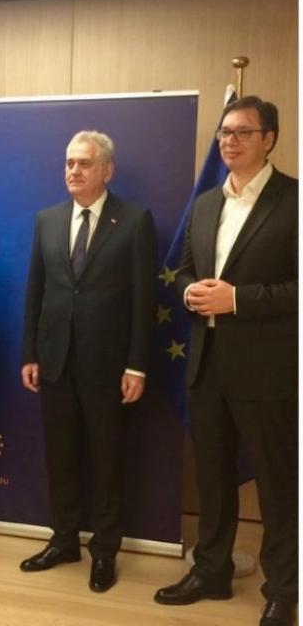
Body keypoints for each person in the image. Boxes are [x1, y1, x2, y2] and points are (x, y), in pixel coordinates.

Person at [155, 97, 297, 626]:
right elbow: (184, 271)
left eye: (241, 132)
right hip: (206, 365)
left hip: (268, 372)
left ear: (269, 139)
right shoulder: (206, 203)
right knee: (213, 479)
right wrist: (191, 291)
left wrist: (237, 299)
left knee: (278, 485)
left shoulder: (294, 201)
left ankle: (283, 589)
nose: (229, 142)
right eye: (224, 133)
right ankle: (210, 571)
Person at [20, 131, 157, 592]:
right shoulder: (48, 219)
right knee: (61, 458)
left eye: (84, 163)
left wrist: (137, 364)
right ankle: (63, 541)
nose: (74, 171)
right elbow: (36, 291)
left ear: (107, 170)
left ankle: (104, 552)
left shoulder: (134, 221)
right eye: (69, 163)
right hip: (55, 362)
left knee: (106, 461)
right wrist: (30, 353)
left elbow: (144, 301)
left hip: (109, 368)